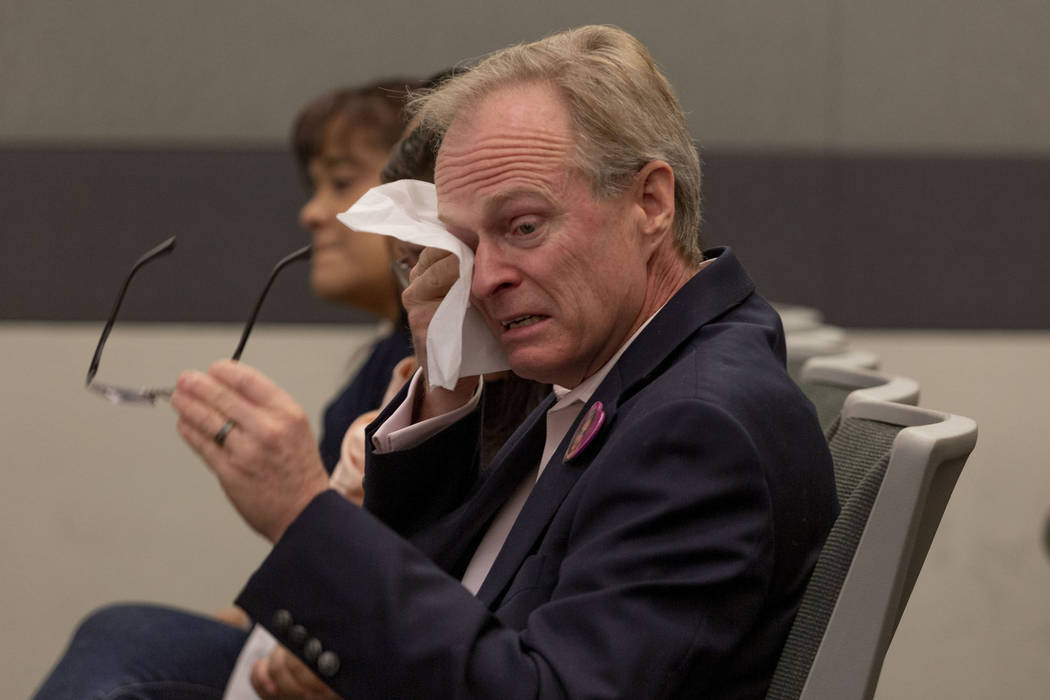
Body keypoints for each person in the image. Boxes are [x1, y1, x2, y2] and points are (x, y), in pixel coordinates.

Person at [167, 24, 838, 699]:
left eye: (522, 227)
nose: (483, 279)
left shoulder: (695, 428)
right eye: (462, 243)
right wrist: (444, 384)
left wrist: (301, 514)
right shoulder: (616, 366)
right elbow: (455, 582)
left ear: (650, 202)